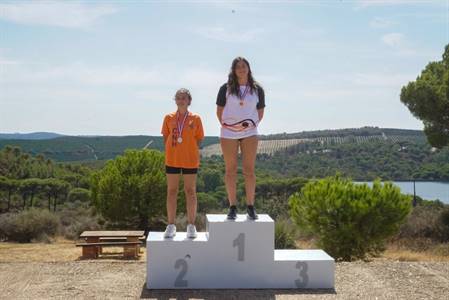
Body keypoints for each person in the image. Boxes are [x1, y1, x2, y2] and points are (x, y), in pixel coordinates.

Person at [216, 57, 265, 220]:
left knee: (249, 171)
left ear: (249, 69)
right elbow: (219, 111)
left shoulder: (257, 89)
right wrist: (230, 127)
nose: (241, 69)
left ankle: (250, 206)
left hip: (249, 133)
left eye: (244, 66)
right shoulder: (225, 88)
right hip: (229, 133)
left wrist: (250, 125)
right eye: (238, 67)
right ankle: (232, 207)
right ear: (234, 70)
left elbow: (260, 112)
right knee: (230, 170)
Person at [161, 88, 204, 238]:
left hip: (190, 159)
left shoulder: (196, 118)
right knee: (172, 191)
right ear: (175, 100)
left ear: (189, 101)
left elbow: (199, 138)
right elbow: (165, 136)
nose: (181, 100)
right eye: (178, 98)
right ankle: (171, 225)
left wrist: (188, 148)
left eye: (184, 98)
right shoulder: (168, 117)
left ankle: (191, 225)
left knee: (190, 191)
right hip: (172, 159)